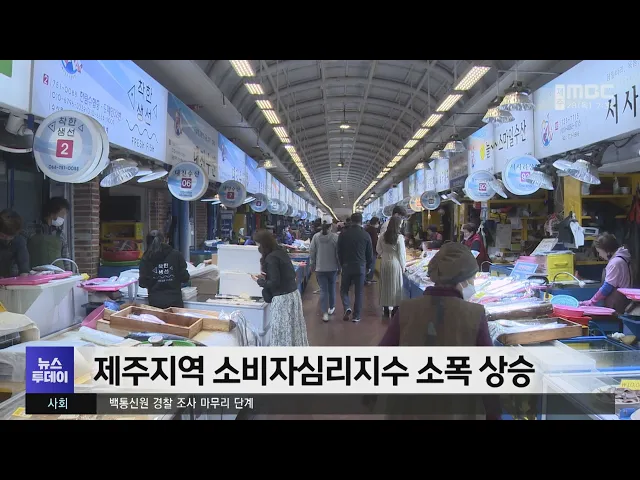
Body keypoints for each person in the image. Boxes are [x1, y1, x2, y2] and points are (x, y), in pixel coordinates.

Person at [379, 242, 497, 420]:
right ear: (462, 281)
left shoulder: (407, 309)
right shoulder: (475, 314)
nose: (473, 284)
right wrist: (494, 414)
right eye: (472, 279)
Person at [251, 229, 308, 346]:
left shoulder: (271, 258)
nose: (258, 247)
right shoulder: (281, 253)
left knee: (281, 333)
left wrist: (259, 281)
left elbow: (274, 283)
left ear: (263, 244)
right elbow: (285, 274)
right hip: (293, 295)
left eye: (258, 244)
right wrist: (267, 276)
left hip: (282, 300)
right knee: (294, 331)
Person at [580, 233, 632, 314]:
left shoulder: (615, 262)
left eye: (599, 252)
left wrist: (592, 301)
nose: (600, 255)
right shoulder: (621, 259)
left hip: (617, 303)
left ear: (606, 249)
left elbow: (607, 287)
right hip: (621, 301)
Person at [139, 231, 190, 309]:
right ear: (165, 240)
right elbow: (185, 278)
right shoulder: (176, 255)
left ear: (147, 242)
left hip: (155, 303)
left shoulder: (146, 258)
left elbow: (142, 283)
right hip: (175, 302)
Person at [337, 213, 373, 323]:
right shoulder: (366, 235)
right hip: (361, 266)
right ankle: (356, 316)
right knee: (359, 292)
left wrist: (341, 264)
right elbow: (369, 253)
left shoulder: (343, 234)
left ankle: (347, 307)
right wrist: (369, 266)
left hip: (347, 265)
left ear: (351, 221)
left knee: (344, 289)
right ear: (361, 221)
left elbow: (339, 251)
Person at [25, 197, 70, 269]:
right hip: (35, 273)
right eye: (61, 215)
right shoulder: (30, 229)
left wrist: (69, 272)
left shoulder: (60, 234)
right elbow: (20, 254)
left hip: (58, 274)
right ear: (52, 213)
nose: (62, 218)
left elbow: (66, 258)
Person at [309, 222, 340, 322]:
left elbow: (312, 251)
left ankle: (325, 313)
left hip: (320, 268)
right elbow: (338, 253)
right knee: (332, 288)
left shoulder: (316, 237)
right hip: (332, 268)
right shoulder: (335, 238)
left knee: (323, 290)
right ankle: (331, 307)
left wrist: (312, 264)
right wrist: (339, 266)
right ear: (331, 226)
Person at [378, 216, 406, 318]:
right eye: (400, 224)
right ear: (397, 225)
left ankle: (385, 309)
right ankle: (395, 309)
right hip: (395, 263)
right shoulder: (399, 237)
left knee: (384, 285)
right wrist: (403, 267)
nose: (401, 226)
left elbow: (378, 249)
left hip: (384, 262)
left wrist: (384, 254)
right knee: (396, 286)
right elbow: (401, 254)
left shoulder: (382, 236)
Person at [0, 209, 30, 278]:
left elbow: (24, 268)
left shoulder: (19, 241)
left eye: (10, 237)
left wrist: (24, 279)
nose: (7, 240)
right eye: (2, 236)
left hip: (7, 278)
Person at [364, 217, 380, 285]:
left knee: (367, 266)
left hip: (366, 250)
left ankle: (366, 279)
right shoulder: (373, 230)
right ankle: (368, 280)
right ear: (376, 222)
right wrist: (377, 252)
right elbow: (375, 242)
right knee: (371, 266)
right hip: (372, 251)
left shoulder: (366, 229)